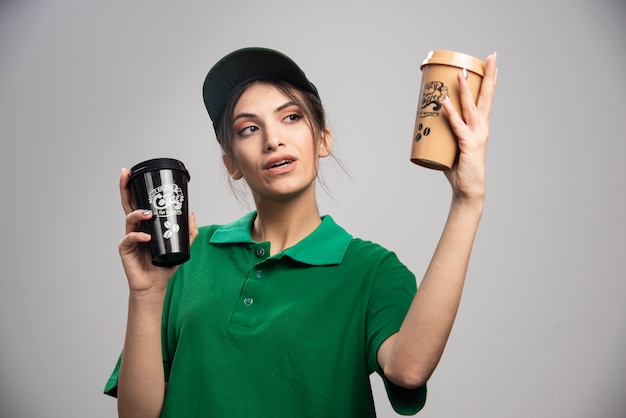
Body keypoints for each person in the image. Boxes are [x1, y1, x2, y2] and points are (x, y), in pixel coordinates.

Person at [104, 47, 498, 417]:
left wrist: (467, 200)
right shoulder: (187, 256)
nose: (273, 139)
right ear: (232, 164)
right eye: (247, 129)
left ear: (322, 139)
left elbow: (408, 371)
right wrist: (147, 294)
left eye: (290, 117)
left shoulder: (373, 271)